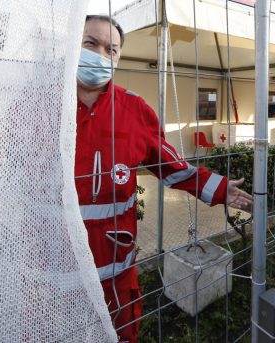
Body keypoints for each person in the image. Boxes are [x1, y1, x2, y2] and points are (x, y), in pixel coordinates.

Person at [75, 15, 253, 343]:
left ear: (118, 58)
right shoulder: (42, 108)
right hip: (57, 278)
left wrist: (220, 188)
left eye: (111, 50)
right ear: (73, 44)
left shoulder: (133, 109)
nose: (100, 55)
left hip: (116, 274)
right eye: (90, 44)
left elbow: (173, 167)